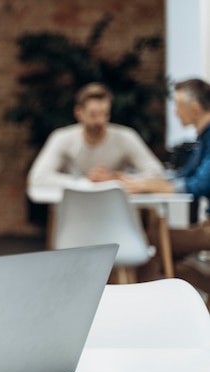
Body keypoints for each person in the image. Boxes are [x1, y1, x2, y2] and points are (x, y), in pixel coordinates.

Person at [122, 78, 210, 282]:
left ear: (195, 109)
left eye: (178, 106)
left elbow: (197, 185)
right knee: (157, 254)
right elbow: (182, 175)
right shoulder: (203, 138)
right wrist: (135, 180)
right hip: (205, 224)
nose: (175, 113)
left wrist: (146, 186)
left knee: (151, 239)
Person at [27, 82, 165, 188]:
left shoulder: (126, 137)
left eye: (105, 114)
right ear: (78, 112)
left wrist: (116, 179)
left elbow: (157, 174)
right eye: (93, 115)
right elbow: (38, 178)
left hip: (116, 211)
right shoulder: (62, 138)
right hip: (75, 210)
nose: (100, 121)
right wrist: (85, 183)